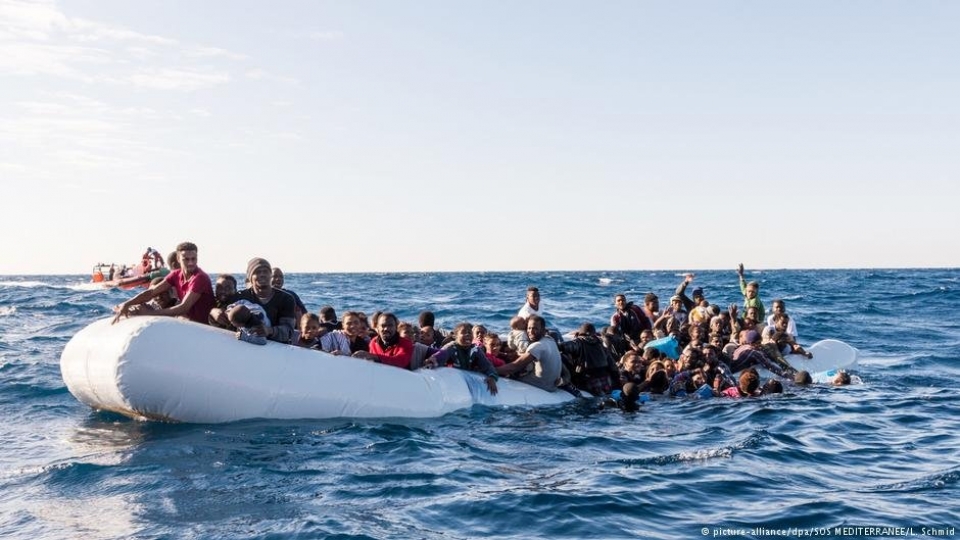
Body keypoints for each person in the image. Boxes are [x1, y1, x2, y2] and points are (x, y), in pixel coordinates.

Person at [112, 241, 215, 325]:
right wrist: (127, 304)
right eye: (186, 259)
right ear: (178, 259)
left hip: (203, 326)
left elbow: (183, 308)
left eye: (193, 259)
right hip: (188, 323)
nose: (191, 263)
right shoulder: (175, 274)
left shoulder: (200, 278)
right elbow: (152, 292)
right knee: (137, 307)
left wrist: (150, 314)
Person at [233, 258, 297, 344]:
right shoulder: (240, 297)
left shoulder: (286, 299)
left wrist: (269, 331)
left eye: (266, 271)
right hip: (245, 346)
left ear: (271, 275)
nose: (262, 274)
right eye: (257, 272)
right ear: (250, 277)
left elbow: (288, 332)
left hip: (276, 350)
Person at [425, 323, 499, 395]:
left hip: (469, 379)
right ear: (456, 336)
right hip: (454, 381)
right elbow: (441, 355)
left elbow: (487, 366)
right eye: (463, 332)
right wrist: (432, 362)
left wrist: (492, 377)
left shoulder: (475, 350)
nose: (467, 335)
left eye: (469, 333)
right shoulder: (451, 347)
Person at [499, 315, 561, 392]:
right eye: (529, 328)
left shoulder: (537, 346)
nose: (531, 331)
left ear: (543, 330)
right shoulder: (550, 340)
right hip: (552, 385)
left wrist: (491, 370)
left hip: (541, 386)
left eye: (535, 328)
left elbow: (514, 367)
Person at [559, 322, 619, 396]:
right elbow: (613, 366)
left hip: (588, 382)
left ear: (580, 334)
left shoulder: (579, 342)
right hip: (606, 381)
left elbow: (562, 347)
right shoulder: (600, 344)